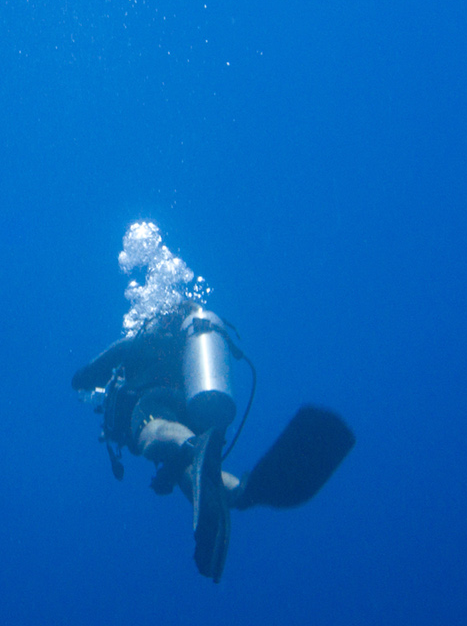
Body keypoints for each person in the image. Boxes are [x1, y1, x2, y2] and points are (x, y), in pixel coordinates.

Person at [72, 224, 355, 582]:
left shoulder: (139, 340)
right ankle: (240, 492)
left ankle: (189, 446)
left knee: (150, 435)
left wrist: (87, 379)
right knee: (192, 476)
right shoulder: (186, 345)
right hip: (196, 408)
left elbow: (83, 378)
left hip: (156, 404)